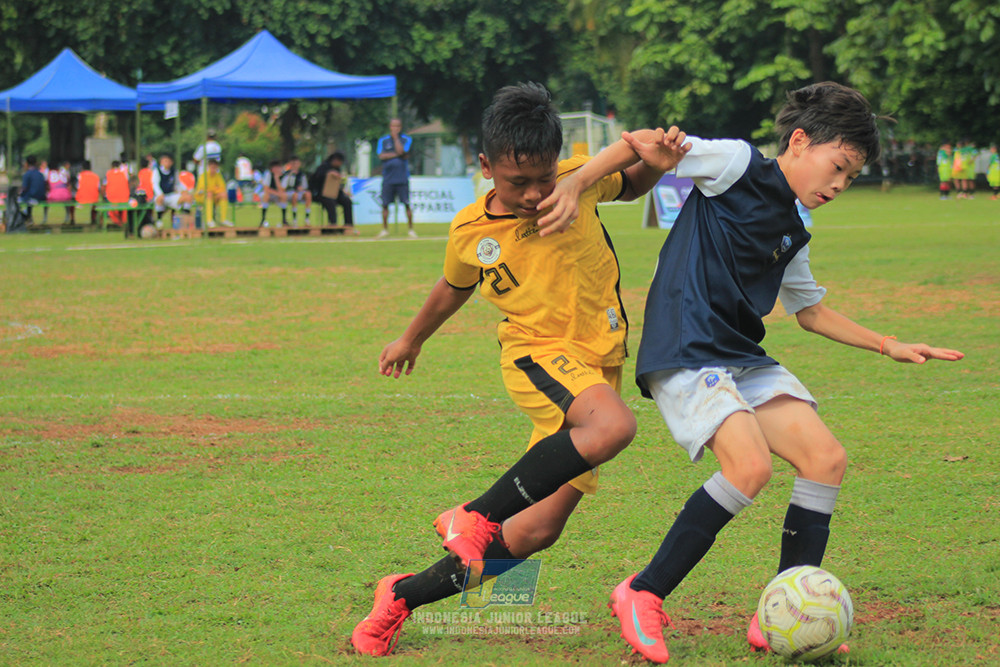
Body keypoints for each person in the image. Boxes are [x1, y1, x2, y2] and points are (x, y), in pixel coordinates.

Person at [540, 81, 966, 664]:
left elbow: (809, 311)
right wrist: (574, 182)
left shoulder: (797, 229)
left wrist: (888, 344)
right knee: (750, 466)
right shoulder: (738, 164)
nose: (839, 185)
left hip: (740, 354)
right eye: (837, 167)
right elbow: (640, 143)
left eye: (850, 177)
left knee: (825, 458)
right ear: (798, 141)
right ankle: (642, 591)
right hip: (687, 346)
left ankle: (782, 608)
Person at [350, 82, 691, 657]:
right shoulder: (470, 232)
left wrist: (644, 167)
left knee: (535, 531)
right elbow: (452, 288)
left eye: (544, 178)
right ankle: (473, 513)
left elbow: (634, 167)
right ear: (484, 166)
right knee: (613, 429)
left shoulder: (572, 182)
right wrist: (410, 338)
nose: (535, 194)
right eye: (516, 183)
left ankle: (400, 598)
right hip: (538, 353)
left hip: (597, 362)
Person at [376, 118, 416, 239]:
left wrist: (396, 139)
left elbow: (402, 151)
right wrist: (397, 155)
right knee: (385, 205)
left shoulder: (406, 139)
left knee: (406, 204)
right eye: (393, 126)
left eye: (397, 126)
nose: (395, 129)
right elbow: (381, 156)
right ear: (390, 127)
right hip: (388, 178)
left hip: (402, 178)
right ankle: (384, 229)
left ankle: (410, 229)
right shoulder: (383, 140)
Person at [310, 151, 354, 231]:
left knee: (347, 201)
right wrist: (329, 173)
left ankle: (348, 224)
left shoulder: (338, 169)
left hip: (335, 193)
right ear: (335, 160)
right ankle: (333, 224)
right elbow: (316, 179)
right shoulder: (322, 167)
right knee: (330, 202)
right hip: (321, 194)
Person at [151, 153, 194, 233]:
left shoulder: (174, 171)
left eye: (168, 161)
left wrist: (184, 190)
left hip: (171, 195)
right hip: (162, 196)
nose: (166, 163)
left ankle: (185, 220)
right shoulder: (157, 171)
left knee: (188, 198)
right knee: (159, 199)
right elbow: (155, 184)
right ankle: (159, 221)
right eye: (164, 161)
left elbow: (178, 183)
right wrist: (160, 194)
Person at [194, 158, 231, 227]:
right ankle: (209, 220)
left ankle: (223, 219)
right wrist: (215, 189)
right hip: (201, 196)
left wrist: (214, 190)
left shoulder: (218, 175)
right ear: (208, 167)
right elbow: (204, 189)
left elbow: (222, 188)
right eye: (212, 167)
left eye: (215, 167)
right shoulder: (203, 176)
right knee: (209, 194)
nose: (213, 169)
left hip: (213, 196)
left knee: (224, 195)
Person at [281, 155, 312, 226]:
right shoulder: (287, 174)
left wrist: (302, 188)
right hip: (290, 193)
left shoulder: (302, 175)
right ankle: (294, 219)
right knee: (294, 195)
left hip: (299, 192)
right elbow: (283, 186)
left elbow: (305, 186)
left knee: (308, 194)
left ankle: (307, 219)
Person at [259, 159, 288, 227]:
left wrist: (276, 178)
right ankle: (263, 219)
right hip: (270, 194)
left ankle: (284, 220)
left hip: (278, 194)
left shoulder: (284, 176)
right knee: (265, 196)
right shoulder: (268, 174)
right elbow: (266, 188)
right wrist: (277, 194)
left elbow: (282, 189)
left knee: (284, 196)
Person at [19, 155, 47, 221]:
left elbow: (24, 188)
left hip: (31, 198)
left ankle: (26, 217)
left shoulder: (27, 174)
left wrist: (19, 193)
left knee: (17, 201)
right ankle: (29, 217)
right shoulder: (40, 174)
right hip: (41, 197)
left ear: (26, 163)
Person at [104, 160, 131, 226]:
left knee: (112, 210)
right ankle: (124, 223)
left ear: (111, 166)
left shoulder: (108, 174)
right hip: (124, 198)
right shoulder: (125, 173)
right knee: (124, 211)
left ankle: (118, 223)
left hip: (112, 199)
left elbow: (104, 185)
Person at [74, 160, 101, 225]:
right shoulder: (96, 176)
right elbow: (98, 188)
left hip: (81, 199)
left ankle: (74, 220)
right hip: (94, 198)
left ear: (82, 168)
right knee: (94, 205)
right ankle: (93, 220)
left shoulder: (79, 175)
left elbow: (77, 186)